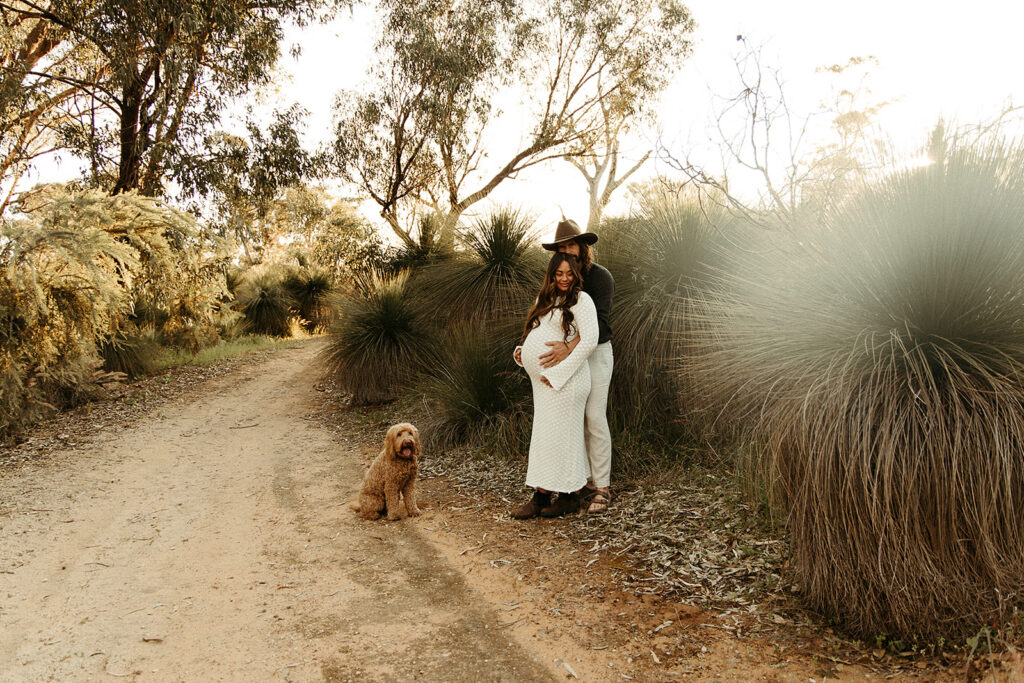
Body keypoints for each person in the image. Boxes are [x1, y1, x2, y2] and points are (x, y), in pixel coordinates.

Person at [510, 252, 599, 519]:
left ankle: (568, 496)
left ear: (576, 274)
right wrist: (523, 351)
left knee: (564, 437)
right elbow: (538, 332)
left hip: (568, 380)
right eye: (559, 273)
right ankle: (542, 496)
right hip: (545, 383)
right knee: (545, 436)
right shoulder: (546, 299)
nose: (564, 278)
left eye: (569, 273)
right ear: (551, 274)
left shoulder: (582, 300)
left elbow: (590, 340)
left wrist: (559, 374)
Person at [538, 219, 614, 514]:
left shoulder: (600, 278)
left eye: (571, 245)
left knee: (594, 416)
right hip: (566, 355)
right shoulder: (560, 279)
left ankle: (602, 487)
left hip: (596, 353)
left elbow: (601, 327)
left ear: (582, 247)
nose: (567, 251)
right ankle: (581, 481)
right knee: (573, 418)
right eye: (561, 248)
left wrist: (570, 346)